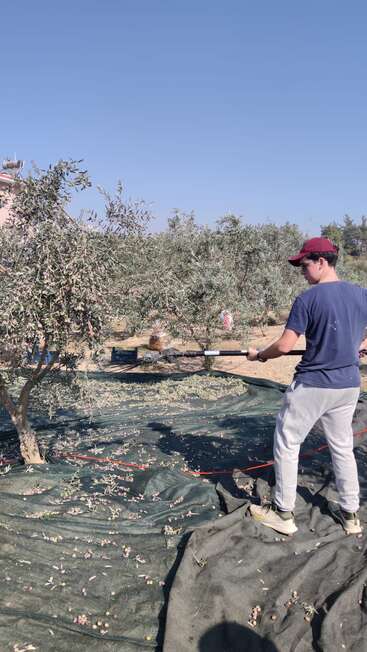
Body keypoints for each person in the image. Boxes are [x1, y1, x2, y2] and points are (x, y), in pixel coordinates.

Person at [246, 237, 367, 536]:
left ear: (322, 262)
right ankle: (351, 516)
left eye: (304, 264)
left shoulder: (308, 300)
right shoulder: (361, 295)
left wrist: (260, 355)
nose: (301, 270)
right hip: (349, 384)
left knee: (287, 443)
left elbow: (286, 346)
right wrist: (358, 345)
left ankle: (283, 512)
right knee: (342, 447)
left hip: (314, 384)